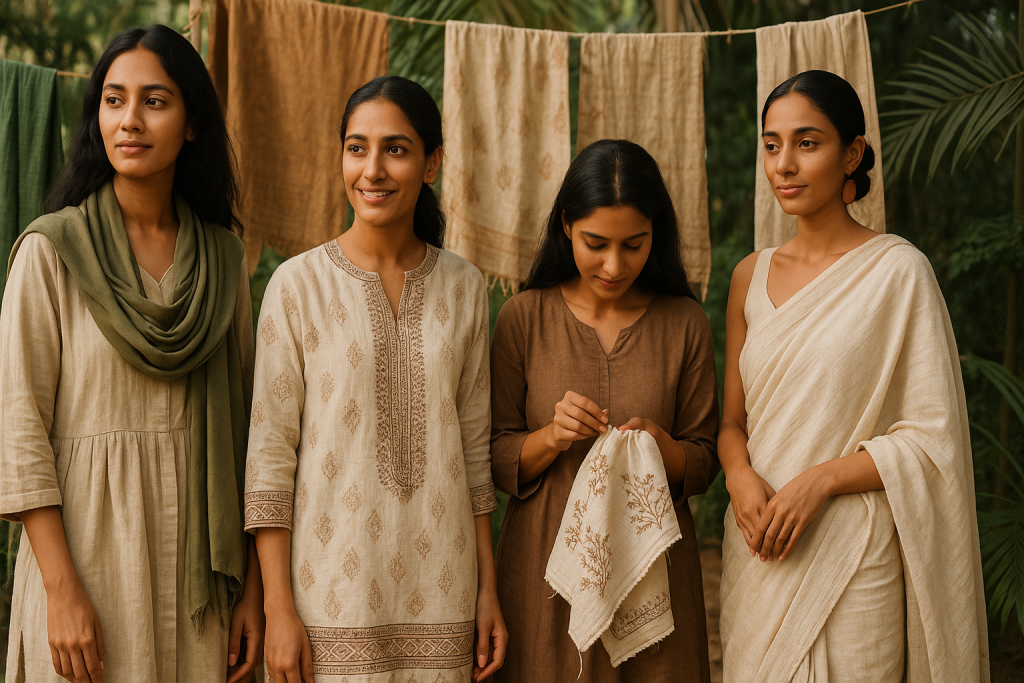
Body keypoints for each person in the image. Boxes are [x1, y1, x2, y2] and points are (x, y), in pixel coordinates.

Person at [0, 25, 264, 683]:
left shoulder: (224, 264)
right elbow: (19, 435)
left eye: (154, 100)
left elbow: (251, 441)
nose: (130, 120)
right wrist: (62, 593)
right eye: (114, 100)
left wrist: (253, 592)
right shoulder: (51, 253)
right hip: (86, 561)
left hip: (198, 575)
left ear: (193, 123)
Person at [718, 70, 988, 681]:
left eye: (807, 143)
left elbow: (934, 438)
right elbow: (732, 421)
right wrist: (738, 475)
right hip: (760, 548)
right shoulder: (748, 276)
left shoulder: (898, 272)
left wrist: (822, 481)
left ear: (853, 154)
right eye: (771, 144)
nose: (784, 164)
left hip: (854, 552)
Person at [245, 75, 507, 683]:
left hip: (444, 600)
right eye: (357, 147)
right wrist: (277, 606)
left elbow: (473, 457)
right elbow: (268, 459)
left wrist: (487, 591)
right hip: (327, 600)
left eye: (396, 148)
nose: (373, 169)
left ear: (431, 162)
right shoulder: (296, 286)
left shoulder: (465, 288)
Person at [490, 139, 719, 682]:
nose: (614, 266)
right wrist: (549, 435)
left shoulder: (684, 322)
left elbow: (707, 459)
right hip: (544, 571)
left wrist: (666, 450)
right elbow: (492, 457)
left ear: (654, 237)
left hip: (652, 572)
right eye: (596, 243)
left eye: (633, 246)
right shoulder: (523, 318)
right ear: (566, 225)